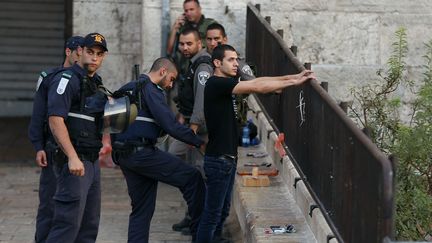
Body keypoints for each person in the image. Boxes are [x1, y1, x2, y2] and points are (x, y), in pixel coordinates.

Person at [196, 44, 315, 243]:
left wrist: (294, 78)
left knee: (221, 212)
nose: (236, 64)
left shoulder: (226, 84)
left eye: (236, 59)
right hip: (219, 161)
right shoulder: (216, 83)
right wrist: (293, 82)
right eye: (231, 60)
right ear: (217, 63)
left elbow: (258, 81)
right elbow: (257, 87)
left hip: (226, 160)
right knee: (211, 216)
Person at [111, 57, 206, 243]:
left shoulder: (126, 88)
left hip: (124, 155)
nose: (171, 85)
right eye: (171, 78)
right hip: (142, 153)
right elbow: (169, 125)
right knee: (193, 179)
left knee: (141, 210)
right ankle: (201, 235)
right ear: (162, 71)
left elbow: (113, 127)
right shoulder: (151, 90)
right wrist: (198, 142)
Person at [45, 32, 109, 243]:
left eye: (99, 54)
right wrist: (72, 156)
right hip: (73, 162)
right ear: (80, 52)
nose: (94, 58)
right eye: (90, 52)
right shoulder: (67, 79)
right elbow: (55, 120)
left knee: (89, 225)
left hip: (91, 161)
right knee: (67, 225)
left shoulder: (95, 83)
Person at [28, 35, 84, 243]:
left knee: (74, 209)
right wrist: (38, 145)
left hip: (79, 154)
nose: (82, 56)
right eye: (78, 52)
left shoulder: (86, 80)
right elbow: (39, 113)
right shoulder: (50, 77)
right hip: (53, 150)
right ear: (68, 52)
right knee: (49, 204)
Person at [166, 0, 216, 75]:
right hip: (185, 69)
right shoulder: (182, 26)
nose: (188, 13)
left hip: (205, 65)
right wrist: (175, 28)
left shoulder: (210, 25)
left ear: (199, 9)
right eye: (186, 10)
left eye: (191, 9)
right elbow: (169, 50)